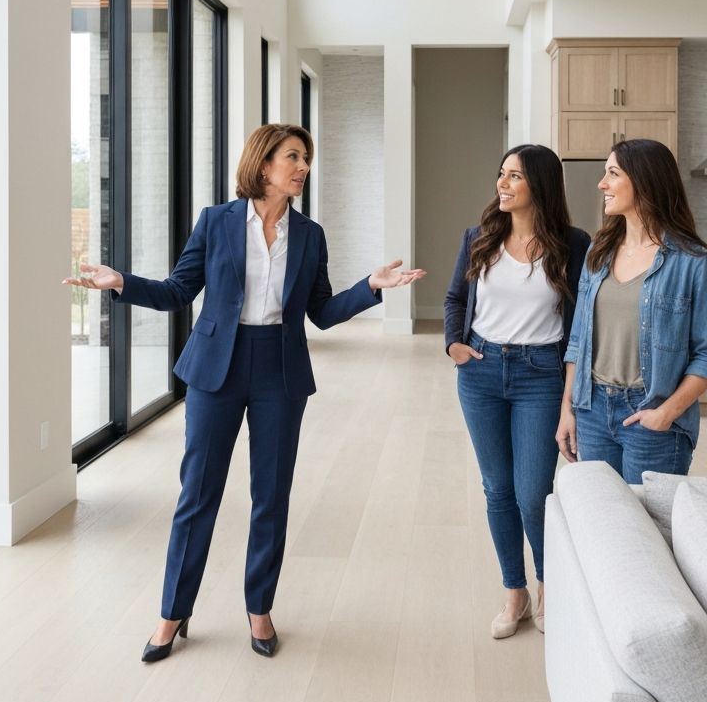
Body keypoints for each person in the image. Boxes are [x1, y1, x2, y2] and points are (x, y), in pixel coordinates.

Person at [64, 124, 424, 662]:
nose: (303, 167)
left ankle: (259, 608)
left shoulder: (310, 235)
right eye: (293, 157)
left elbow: (322, 313)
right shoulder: (216, 222)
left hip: (280, 369)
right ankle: (172, 613)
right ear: (263, 163)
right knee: (197, 495)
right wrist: (121, 283)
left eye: (306, 158)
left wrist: (370, 287)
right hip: (217, 369)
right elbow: (178, 291)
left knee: (271, 496)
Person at [444, 144, 590, 639]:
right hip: (481, 371)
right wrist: (454, 344)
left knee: (533, 493)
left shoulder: (573, 244)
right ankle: (515, 592)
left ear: (539, 185)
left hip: (540, 373)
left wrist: (572, 395)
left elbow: (582, 323)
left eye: (515, 177)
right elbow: (455, 297)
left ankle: (550, 585)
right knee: (498, 489)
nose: (502, 184)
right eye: (501, 174)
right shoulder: (479, 237)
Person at [556, 138, 707, 486]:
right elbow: (578, 341)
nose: (602, 184)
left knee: (649, 518)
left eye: (612, 173)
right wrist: (568, 409)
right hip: (592, 409)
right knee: (602, 514)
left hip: (651, 412)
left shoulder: (694, 263)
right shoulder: (598, 253)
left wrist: (667, 412)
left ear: (644, 181)